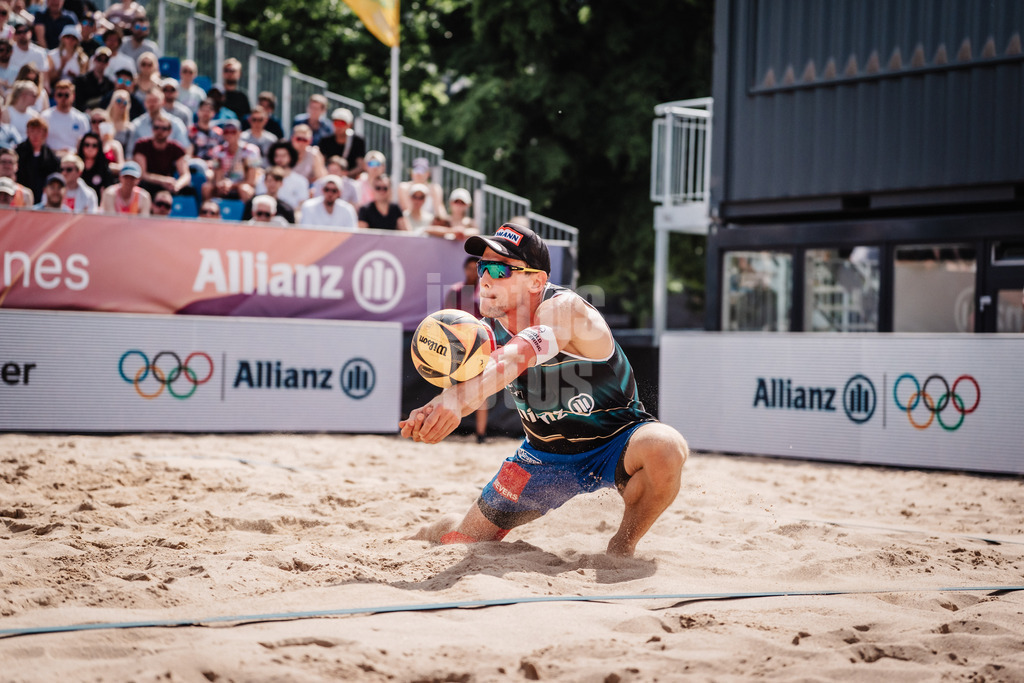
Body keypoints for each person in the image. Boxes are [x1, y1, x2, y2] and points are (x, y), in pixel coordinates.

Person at [401, 223, 688, 557]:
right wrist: (440, 405)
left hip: (617, 442)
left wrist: (455, 399)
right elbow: (480, 381)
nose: (486, 278)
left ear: (536, 280)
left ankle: (621, 546)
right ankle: (438, 529)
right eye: (482, 267)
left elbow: (518, 354)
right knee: (466, 540)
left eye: (500, 269)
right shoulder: (484, 332)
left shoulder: (564, 309)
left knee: (665, 446)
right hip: (542, 458)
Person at [443, 255, 489, 443]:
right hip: (457, 346)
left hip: (479, 347)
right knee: (447, 387)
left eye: (474, 269)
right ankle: (442, 427)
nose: (472, 272)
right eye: (469, 268)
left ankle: (481, 434)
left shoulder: (486, 292)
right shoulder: (455, 291)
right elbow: (444, 320)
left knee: (482, 390)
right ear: (464, 270)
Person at [132, 111, 189, 197]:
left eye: (164, 128)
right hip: (147, 186)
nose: (160, 131)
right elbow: (142, 174)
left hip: (167, 188)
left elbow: (185, 175)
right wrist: (163, 181)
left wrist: (177, 185)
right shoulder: (141, 145)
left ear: (170, 131)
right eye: (156, 127)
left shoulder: (176, 148)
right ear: (152, 129)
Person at [127, 85, 190, 156]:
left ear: (163, 102)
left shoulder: (175, 123)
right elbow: (130, 153)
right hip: (143, 164)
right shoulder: (137, 124)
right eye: (149, 101)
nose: (152, 104)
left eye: (155, 101)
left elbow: (185, 148)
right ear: (144, 103)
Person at [206, 117, 257, 201]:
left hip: (242, 184)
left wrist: (232, 185)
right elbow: (217, 175)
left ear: (240, 133)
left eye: (233, 131)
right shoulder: (217, 151)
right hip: (224, 185)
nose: (229, 134)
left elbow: (251, 181)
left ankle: (247, 213)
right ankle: (208, 211)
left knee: (245, 189)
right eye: (226, 132)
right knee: (207, 188)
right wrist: (222, 184)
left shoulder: (251, 151)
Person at [15, 113, 58, 199]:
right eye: (32, 131)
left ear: (45, 134)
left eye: (39, 131)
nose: (35, 135)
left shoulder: (51, 157)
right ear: (27, 133)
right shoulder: (18, 152)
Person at [40, 78, 87, 155]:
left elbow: (85, 143)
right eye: (60, 95)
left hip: (74, 158)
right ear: (55, 96)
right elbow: (41, 142)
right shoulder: (45, 116)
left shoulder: (81, 118)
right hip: (51, 158)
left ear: (73, 96)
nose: (63, 98)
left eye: (66, 95)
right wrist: (56, 152)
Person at [316, 106, 365, 179]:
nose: (338, 126)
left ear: (349, 125)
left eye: (341, 123)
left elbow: (360, 166)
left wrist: (345, 175)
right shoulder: (325, 140)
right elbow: (320, 163)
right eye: (336, 123)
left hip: (349, 179)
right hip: (328, 178)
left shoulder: (358, 141)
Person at [398, 156, 447, 221]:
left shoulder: (435, 188)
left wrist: (445, 222)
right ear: (412, 172)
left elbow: (439, 209)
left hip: (429, 223)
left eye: (422, 170)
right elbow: (407, 210)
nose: (419, 173)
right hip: (410, 222)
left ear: (428, 173)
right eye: (416, 170)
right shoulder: (404, 187)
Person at [45, 23, 85, 88]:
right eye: (68, 36)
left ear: (77, 41)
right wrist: (61, 67)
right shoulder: (52, 55)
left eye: (74, 38)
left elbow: (84, 81)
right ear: (62, 38)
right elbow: (48, 79)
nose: (70, 40)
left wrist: (75, 76)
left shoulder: (83, 58)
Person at [72, 45, 112, 109]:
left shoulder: (109, 83)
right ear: (94, 60)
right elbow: (78, 102)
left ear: (108, 63)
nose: (102, 63)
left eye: (105, 60)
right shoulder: (81, 80)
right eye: (99, 59)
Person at [76, 130, 113, 196]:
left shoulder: (103, 167)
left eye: (94, 145)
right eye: (87, 145)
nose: (90, 148)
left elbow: (107, 190)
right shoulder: (74, 165)